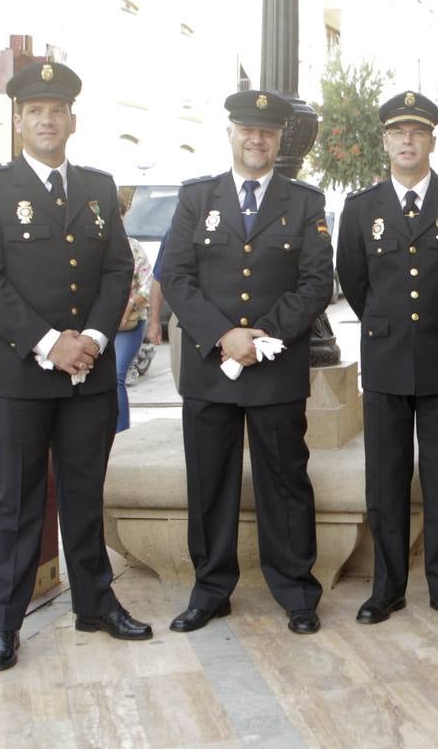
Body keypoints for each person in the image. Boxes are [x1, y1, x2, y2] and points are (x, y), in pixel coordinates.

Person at [0, 61, 152, 672]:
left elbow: (118, 267)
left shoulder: (97, 187)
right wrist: (50, 342)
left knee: (83, 492)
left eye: (57, 109)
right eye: (35, 110)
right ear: (18, 121)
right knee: (15, 498)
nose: (47, 119)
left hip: (87, 371)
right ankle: (4, 624)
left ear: (73, 119)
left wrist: (91, 336)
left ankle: (95, 603)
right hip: (18, 374)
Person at [161, 89, 334, 636]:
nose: (256, 139)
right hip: (211, 368)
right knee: (209, 482)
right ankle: (210, 590)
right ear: (231, 133)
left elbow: (315, 284)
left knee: (284, 480)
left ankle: (296, 591)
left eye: (267, 132)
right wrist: (223, 336)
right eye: (247, 129)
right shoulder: (196, 198)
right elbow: (177, 276)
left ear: (280, 139)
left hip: (276, 366)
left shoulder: (305, 202)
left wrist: (262, 338)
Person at [336, 90, 438, 626]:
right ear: (386, 141)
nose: (408, 141)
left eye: (417, 132)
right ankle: (387, 588)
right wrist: (388, 323)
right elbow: (354, 279)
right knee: (385, 479)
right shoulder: (361, 208)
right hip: (387, 357)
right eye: (399, 133)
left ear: (432, 140)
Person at [114, 191, 151, 432]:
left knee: (116, 375)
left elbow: (148, 283)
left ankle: (121, 432)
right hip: (99, 324)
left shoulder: (133, 247)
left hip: (129, 324)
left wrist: (130, 305)